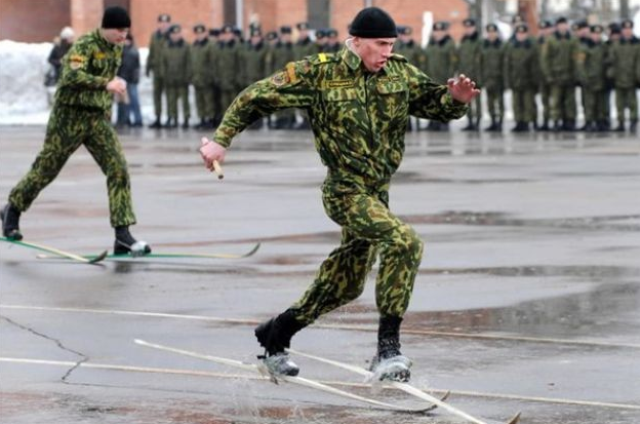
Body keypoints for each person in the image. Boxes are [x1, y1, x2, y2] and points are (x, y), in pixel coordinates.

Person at [199, 7, 479, 382]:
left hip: (377, 194)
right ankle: (388, 350)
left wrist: (456, 99)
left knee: (345, 284)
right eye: (380, 44)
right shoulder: (320, 72)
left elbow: (434, 104)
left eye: (392, 44)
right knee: (404, 242)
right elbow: (256, 97)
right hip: (345, 190)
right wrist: (221, 141)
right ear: (357, 40)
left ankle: (276, 333)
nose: (386, 51)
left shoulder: (399, 72)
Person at [1, 7, 151, 256]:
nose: (123, 36)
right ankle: (12, 209)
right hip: (69, 117)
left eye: (126, 32)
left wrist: (114, 89)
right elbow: (70, 75)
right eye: (119, 31)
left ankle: (122, 234)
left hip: (95, 119)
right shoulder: (84, 45)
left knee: (118, 169)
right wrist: (105, 83)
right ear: (107, 27)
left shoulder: (116, 47)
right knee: (46, 170)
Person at [147, 14, 171, 129]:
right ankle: (158, 118)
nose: (164, 25)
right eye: (161, 22)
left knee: (169, 96)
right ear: (158, 24)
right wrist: (148, 67)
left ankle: (170, 118)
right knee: (157, 95)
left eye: (166, 23)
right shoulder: (154, 36)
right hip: (157, 70)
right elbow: (151, 52)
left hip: (168, 71)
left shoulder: (172, 36)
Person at [116, 32, 143, 127]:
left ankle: (138, 120)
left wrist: (135, 78)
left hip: (131, 80)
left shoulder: (133, 52)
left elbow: (137, 67)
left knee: (134, 100)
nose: (126, 42)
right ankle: (125, 119)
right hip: (122, 79)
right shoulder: (120, 51)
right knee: (123, 102)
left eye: (127, 40)